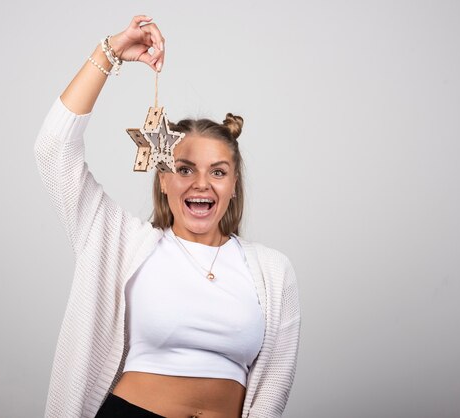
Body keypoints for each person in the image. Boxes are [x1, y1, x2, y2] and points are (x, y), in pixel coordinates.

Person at [34, 15, 301, 418]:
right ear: (162, 179)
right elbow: (52, 150)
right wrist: (110, 51)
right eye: (184, 169)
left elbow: (274, 387)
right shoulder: (121, 240)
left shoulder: (273, 271)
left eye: (218, 171)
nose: (201, 184)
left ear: (233, 185)